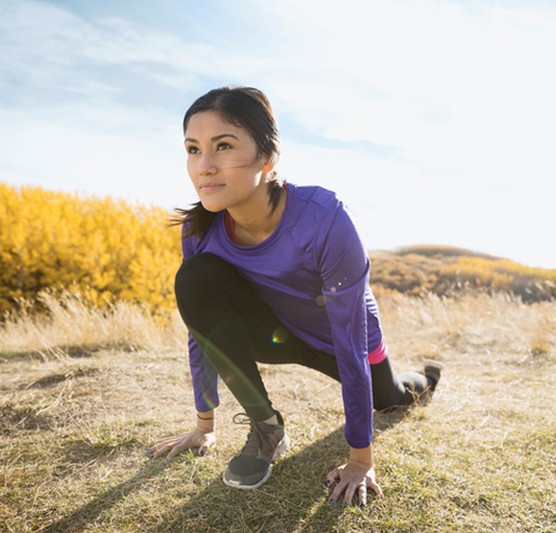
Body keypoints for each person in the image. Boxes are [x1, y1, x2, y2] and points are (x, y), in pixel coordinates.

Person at [147, 86, 443, 507]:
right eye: (193, 149)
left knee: (391, 397)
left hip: (339, 339)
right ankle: (267, 428)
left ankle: (426, 378)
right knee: (194, 278)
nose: (205, 166)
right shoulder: (199, 230)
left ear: (268, 159)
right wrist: (204, 423)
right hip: (274, 333)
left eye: (223, 146)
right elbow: (202, 327)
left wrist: (360, 459)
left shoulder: (325, 220)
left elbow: (351, 344)